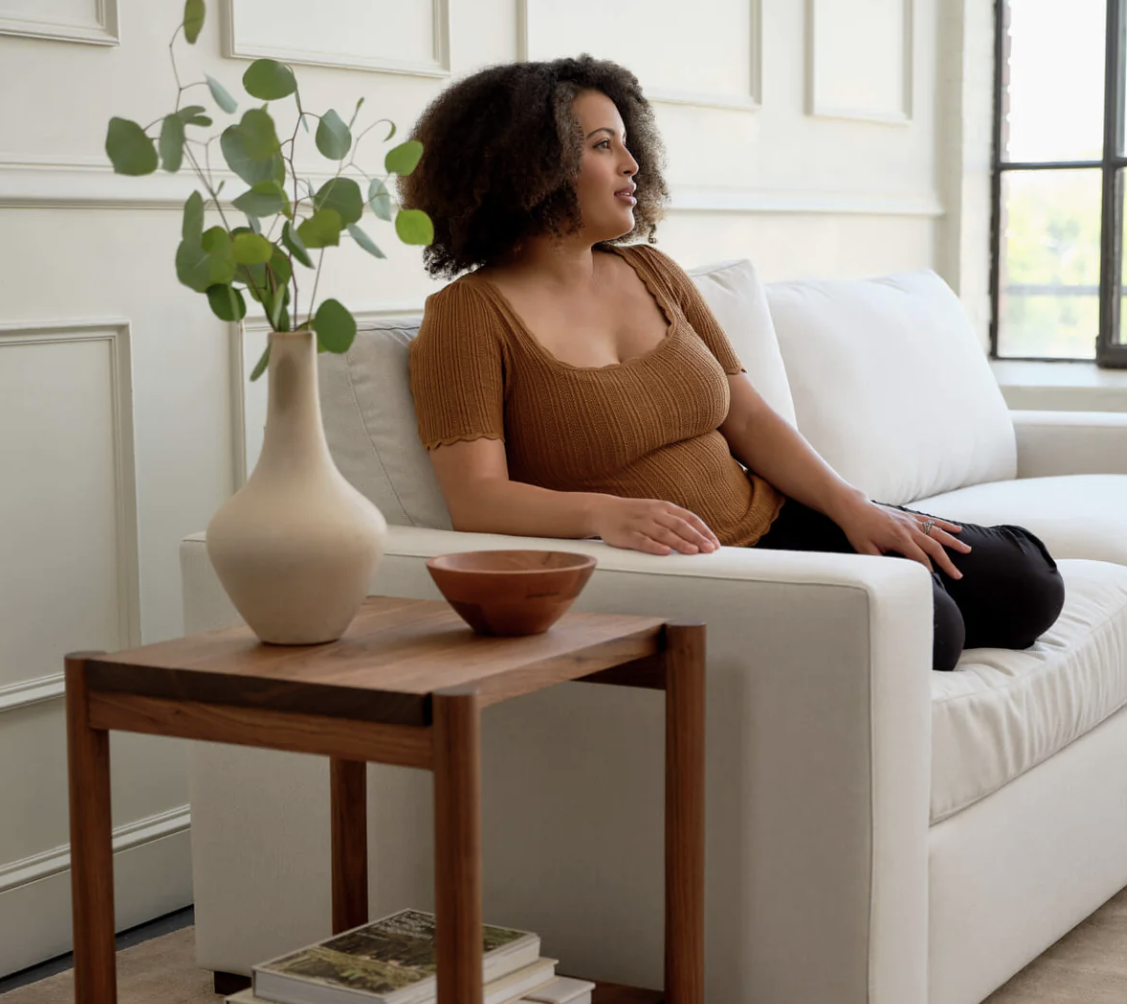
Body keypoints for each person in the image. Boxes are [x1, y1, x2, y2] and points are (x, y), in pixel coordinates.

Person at [398, 56, 1065, 670]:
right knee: (931, 631)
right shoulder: (469, 316)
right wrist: (602, 514)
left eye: (628, 142)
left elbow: (746, 414)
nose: (632, 163)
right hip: (696, 565)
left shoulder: (653, 272)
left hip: (774, 517)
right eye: (603, 145)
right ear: (529, 167)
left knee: (1029, 586)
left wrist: (855, 507)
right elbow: (475, 497)